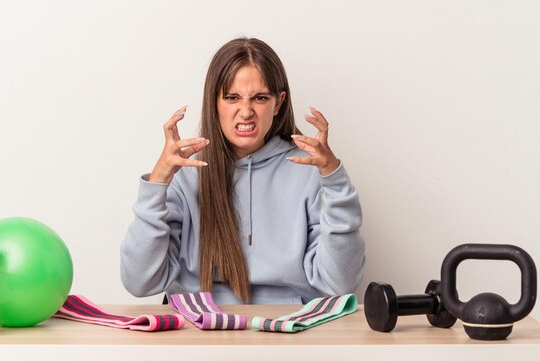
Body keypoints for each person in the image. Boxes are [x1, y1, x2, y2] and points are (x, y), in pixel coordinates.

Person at [120, 37, 365, 304]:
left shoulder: (309, 170)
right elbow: (139, 282)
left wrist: (334, 180)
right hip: (200, 331)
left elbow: (341, 284)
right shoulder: (187, 173)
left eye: (259, 98)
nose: (246, 112)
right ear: (214, 102)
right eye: (232, 97)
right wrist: (157, 183)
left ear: (278, 103)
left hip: (288, 331)